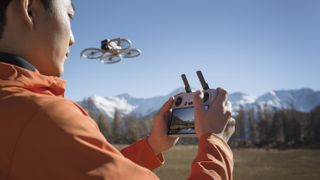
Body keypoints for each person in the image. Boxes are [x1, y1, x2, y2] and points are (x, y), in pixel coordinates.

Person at [0, 0, 236, 179]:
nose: (72, 39)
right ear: (29, 9)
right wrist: (216, 142)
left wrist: (151, 147)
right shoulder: (43, 116)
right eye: (69, 16)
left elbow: (89, 169)